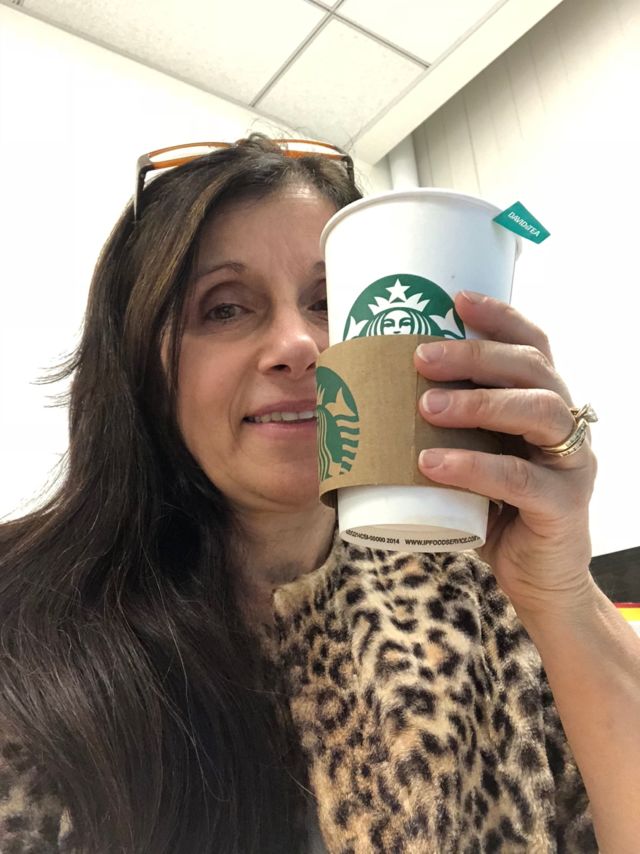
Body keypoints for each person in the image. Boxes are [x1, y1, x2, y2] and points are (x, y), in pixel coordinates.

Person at [0, 134, 638, 854]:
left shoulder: (483, 593)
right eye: (225, 309)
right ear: (140, 364)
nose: (300, 345)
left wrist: (560, 594)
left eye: (330, 301)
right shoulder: (22, 619)